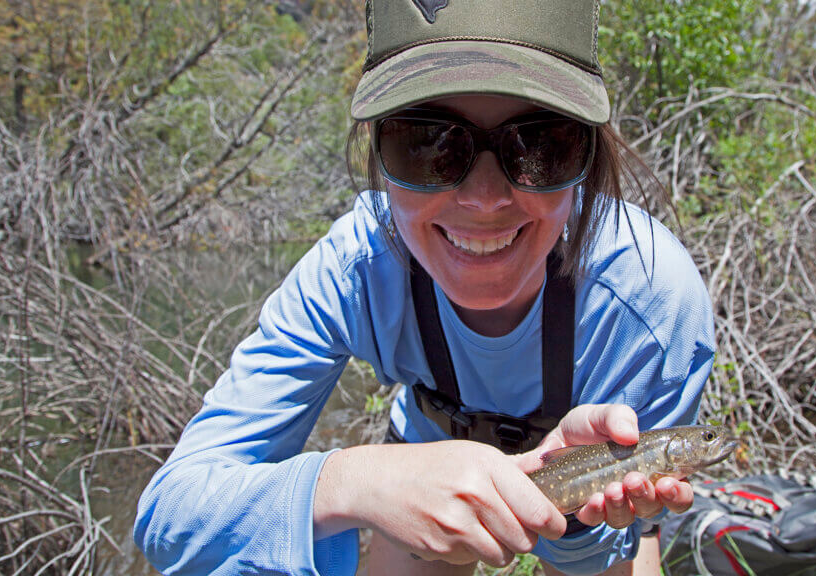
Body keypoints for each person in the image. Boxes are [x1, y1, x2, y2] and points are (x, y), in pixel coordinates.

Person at [134, 1, 716, 575]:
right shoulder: (357, 267)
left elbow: (585, 560)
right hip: (422, 457)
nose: (484, 200)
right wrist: (358, 482)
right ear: (378, 151)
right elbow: (172, 515)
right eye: (427, 143)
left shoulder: (649, 302)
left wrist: (579, 521)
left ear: (588, 153)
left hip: (578, 514)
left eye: (540, 145)